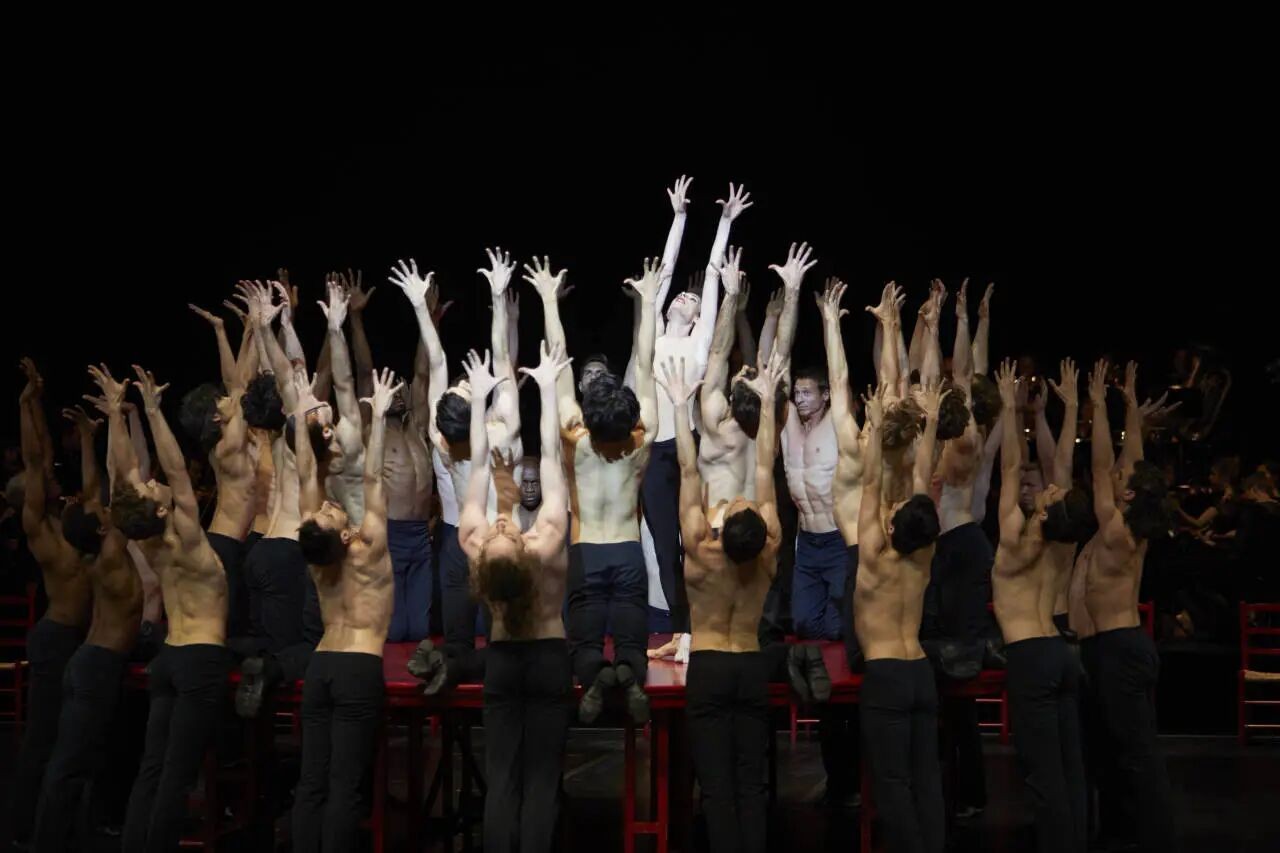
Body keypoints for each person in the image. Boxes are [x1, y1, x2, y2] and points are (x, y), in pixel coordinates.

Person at [660, 351, 785, 853]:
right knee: (750, 785)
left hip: (710, 668)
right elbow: (765, 466)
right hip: (750, 665)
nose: (737, 497)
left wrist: (679, 406)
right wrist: (768, 405)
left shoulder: (700, 550)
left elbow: (688, 469)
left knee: (716, 788)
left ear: (723, 527)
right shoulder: (768, 549)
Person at [456, 341, 573, 853]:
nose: (502, 523)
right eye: (505, 530)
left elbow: (479, 470)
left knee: (503, 777)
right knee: (540, 779)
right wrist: (546, 389)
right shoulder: (545, 543)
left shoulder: (474, 548)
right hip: (546, 659)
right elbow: (551, 460)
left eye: (498, 529)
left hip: (504, 661)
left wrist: (481, 403)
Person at [535, 255, 662, 724]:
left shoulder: (576, 440)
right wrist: (648, 303)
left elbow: (559, 360)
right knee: (633, 642)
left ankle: (596, 676)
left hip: (586, 551)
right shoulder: (642, 441)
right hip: (627, 550)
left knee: (584, 644)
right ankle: (628, 672)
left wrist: (549, 300)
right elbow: (644, 363)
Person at [115, 365, 232, 853]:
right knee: (176, 775)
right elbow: (178, 470)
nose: (153, 482)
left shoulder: (147, 540)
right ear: (162, 509)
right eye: (152, 489)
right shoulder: (186, 539)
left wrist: (118, 419)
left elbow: (124, 477)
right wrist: (153, 409)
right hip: (199, 659)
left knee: (152, 768)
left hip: (168, 658)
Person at [628, 178, 751, 637]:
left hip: (690, 449)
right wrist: (678, 217)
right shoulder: (657, 337)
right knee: (665, 546)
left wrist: (724, 223)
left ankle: (712, 621)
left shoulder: (700, 342)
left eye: (692, 299)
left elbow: (713, 275)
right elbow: (664, 273)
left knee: (699, 537)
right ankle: (682, 630)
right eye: (682, 295)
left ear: (700, 316)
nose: (684, 296)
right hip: (654, 451)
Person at [395, 252, 521, 688]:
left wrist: (419, 307)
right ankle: (458, 668)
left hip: (455, 541)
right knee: (503, 641)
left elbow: (436, 362)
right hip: (493, 541)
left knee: (458, 638)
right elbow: (503, 361)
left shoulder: (440, 437)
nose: (462, 383)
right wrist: (499, 298)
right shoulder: (502, 431)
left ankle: (449, 663)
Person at [32, 402, 144, 852]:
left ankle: (82, 830)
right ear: (101, 531)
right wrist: (118, 418)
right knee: (69, 764)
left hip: (92, 663)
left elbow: (95, 489)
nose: (106, 510)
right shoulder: (112, 553)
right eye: (102, 514)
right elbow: (123, 482)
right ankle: (45, 843)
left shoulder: (96, 546)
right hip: (96, 667)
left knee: (87, 759)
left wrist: (86, 439)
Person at [992, 360, 1089, 853]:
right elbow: (1062, 465)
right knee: (1070, 766)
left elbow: (1011, 467)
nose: (1044, 486)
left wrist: (1011, 411)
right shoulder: (1063, 542)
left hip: (1031, 656)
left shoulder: (1014, 540)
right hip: (1061, 651)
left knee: (1045, 772)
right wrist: (1068, 409)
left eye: (1045, 491)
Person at [1082, 359, 1177, 853]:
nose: (1117, 473)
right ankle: (1119, 832)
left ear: (1131, 492)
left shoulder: (1119, 531)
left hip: (1120, 648)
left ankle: (1156, 838)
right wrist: (1132, 404)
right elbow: (1130, 456)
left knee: (1137, 752)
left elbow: (1102, 467)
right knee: (1112, 750)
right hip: (1111, 647)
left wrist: (1100, 406)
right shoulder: (1130, 520)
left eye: (1124, 477)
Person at [854, 354, 947, 853]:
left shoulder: (873, 555)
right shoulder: (925, 552)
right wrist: (928, 423)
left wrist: (873, 427)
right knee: (926, 778)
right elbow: (923, 481)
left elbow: (871, 484)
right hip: (920, 671)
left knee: (893, 783)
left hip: (887, 674)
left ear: (891, 525)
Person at [6, 359, 91, 848]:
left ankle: (60, 823)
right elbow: (36, 461)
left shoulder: (63, 522)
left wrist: (37, 400)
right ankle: (22, 830)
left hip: (73, 637)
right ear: (31, 499)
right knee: (41, 738)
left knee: (67, 738)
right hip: (55, 638)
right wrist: (25, 404)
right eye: (46, 484)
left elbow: (45, 457)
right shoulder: (39, 528)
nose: (55, 480)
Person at [183, 303, 259, 638]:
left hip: (228, 541)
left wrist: (225, 331)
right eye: (221, 400)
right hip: (226, 545)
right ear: (216, 417)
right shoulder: (227, 446)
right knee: (225, 627)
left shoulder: (223, 443)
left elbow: (236, 385)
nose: (227, 397)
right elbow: (240, 385)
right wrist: (254, 328)